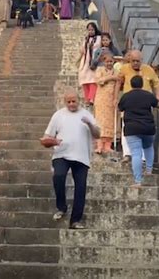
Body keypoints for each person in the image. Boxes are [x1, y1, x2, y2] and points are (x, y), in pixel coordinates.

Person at [40, 88, 101, 229]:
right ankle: (61, 206)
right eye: (69, 102)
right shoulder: (58, 115)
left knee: (81, 187)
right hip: (61, 154)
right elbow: (47, 137)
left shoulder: (87, 114)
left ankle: (75, 220)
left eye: (74, 101)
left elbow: (98, 134)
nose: (72, 104)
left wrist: (90, 125)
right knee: (59, 176)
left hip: (81, 156)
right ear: (64, 102)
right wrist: (53, 142)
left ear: (79, 100)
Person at [117, 49, 159, 163]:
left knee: (144, 129)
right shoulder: (124, 69)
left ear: (141, 60)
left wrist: (158, 96)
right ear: (129, 60)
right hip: (129, 102)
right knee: (126, 127)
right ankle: (127, 154)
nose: (135, 63)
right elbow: (118, 82)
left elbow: (157, 83)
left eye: (138, 61)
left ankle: (142, 157)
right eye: (133, 61)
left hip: (145, 103)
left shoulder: (148, 69)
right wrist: (115, 98)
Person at [118, 76, 159, 187]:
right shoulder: (148, 95)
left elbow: (120, 108)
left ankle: (138, 181)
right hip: (148, 127)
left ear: (131, 84)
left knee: (136, 153)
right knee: (148, 147)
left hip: (132, 128)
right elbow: (158, 104)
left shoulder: (126, 96)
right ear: (142, 84)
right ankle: (149, 170)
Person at [94, 53, 119, 154]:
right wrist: (110, 78)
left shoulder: (116, 72)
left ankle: (107, 145)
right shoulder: (100, 70)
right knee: (100, 121)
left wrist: (116, 98)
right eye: (107, 61)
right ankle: (99, 145)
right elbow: (99, 81)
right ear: (104, 62)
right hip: (101, 98)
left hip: (111, 98)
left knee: (110, 121)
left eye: (111, 61)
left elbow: (118, 84)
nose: (109, 63)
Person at [78, 22, 102, 107]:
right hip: (85, 61)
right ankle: (87, 98)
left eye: (92, 29)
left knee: (93, 79)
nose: (91, 31)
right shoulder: (86, 39)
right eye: (89, 30)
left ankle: (91, 98)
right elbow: (82, 49)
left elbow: (98, 48)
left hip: (94, 61)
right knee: (84, 79)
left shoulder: (99, 38)